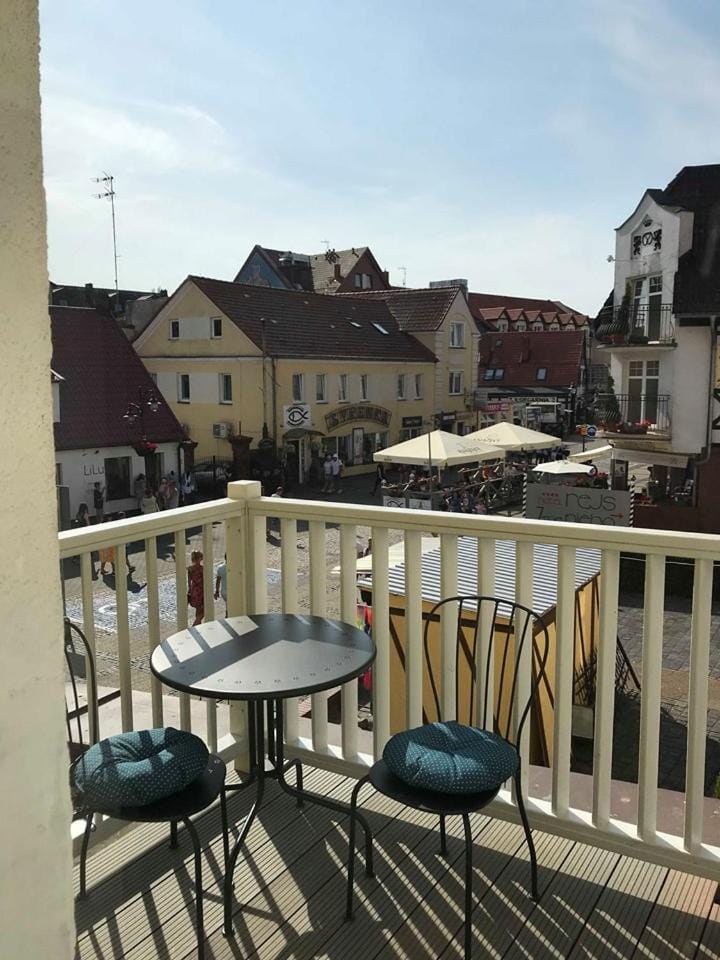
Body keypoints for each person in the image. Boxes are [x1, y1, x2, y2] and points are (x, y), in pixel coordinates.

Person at [187, 550, 205, 626]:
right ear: (199, 558)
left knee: (198, 610)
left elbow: (189, 581)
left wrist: (190, 590)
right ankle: (195, 625)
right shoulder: (202, 568)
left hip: (194, 589)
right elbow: (204, 580)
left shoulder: (190, 569)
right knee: (202, 611)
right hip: (201, 590)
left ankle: (198, 625)